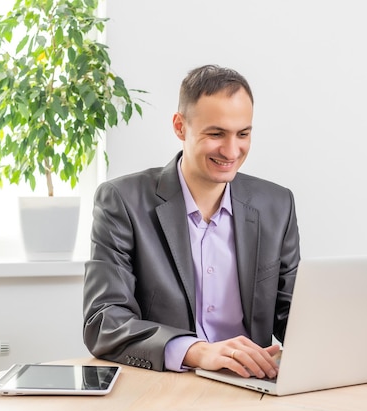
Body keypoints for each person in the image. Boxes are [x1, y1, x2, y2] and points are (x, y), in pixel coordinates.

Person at [82, 64, 301, 380]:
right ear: (180, 126)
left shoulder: (276, 205)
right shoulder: (122, 200)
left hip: (253, 386)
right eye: (216, 134)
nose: (231, 150)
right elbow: (104, 321)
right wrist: (197, 351)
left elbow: (292, 313)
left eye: (243, 134)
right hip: (167, 384)